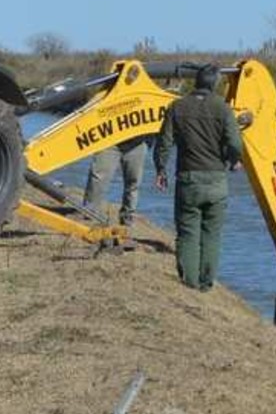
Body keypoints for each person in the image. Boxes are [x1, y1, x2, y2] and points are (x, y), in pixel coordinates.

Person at [153, 66, 242, 291]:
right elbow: (234, 143)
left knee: (187, 233)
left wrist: (160, 169)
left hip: (188, 179)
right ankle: (206, 282)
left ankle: (189, 283)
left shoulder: (177, 107)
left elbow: (164, 142)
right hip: (216, 180)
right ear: (214, 84)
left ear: (196, 82)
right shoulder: (223, 108)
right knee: (212, 234)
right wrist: (234, 160)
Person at [83, 135, 150, 226]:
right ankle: (89, 212)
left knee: (134, 181)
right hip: (109, 140)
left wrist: (148, 141)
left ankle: (128, 216)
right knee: (98, 178)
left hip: (137, 143)